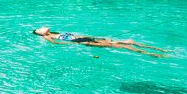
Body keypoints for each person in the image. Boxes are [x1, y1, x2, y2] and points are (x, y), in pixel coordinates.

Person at [32, 26, 168, 57]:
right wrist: (76, 44)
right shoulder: (47, 37)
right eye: (39, 29)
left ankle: (161, 51)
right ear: (40, 33)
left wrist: (91, 36)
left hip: (85, 39)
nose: (42, 27)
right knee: (119, 45)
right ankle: (154, 54)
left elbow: (74, 34)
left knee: (128, 41)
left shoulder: (55, 32)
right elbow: (57, 44)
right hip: (81, 42)